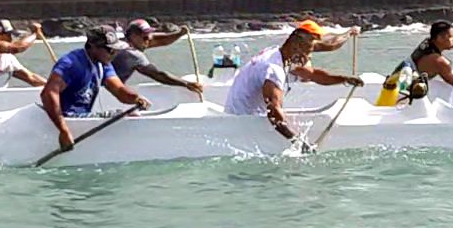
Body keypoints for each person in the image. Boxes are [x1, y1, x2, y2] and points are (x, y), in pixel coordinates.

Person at [224, 21, 365, 143]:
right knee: (279, 114)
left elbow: (316, 73)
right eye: (308, 51)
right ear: (297, 46)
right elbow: (273, 112)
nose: (308, 56)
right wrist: (297, 141)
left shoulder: (285, 54)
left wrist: (345, 79)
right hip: (241, 121)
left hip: (243, 115)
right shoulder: (274, 69)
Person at [41, 27, 153, 151]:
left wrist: (136, 99)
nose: (114, 54)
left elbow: (120, 91)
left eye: (116, 50)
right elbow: (48, 93)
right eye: (110, 50)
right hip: (68, 119)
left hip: (84, 117)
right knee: (127, 116)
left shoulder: (104, 64)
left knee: (132, 114)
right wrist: (63, 130)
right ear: (92, 46)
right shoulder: (70, 63)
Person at [110, 18, 204, 93]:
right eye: (145, 37)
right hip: (106, 91)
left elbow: (160, 40)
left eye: (149, 35)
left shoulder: (120, 40)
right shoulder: (132, 54)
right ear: (133, 36)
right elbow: (158, 75)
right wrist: (186, 84)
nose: (148, 40)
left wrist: (179, 34)